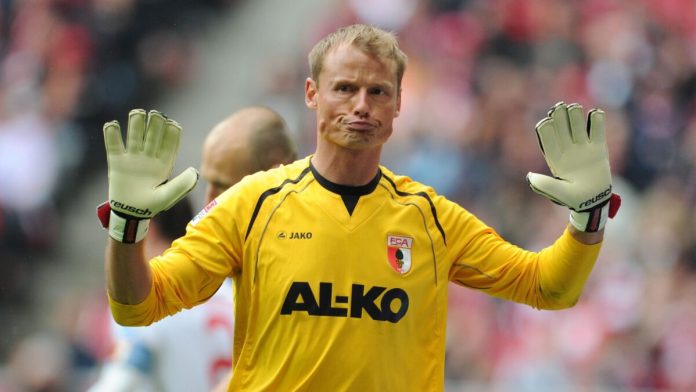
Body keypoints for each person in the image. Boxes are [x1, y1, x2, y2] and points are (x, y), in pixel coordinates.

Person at [100, 24, 621, 391]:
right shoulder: (250, 206)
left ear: (398, 104)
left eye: (377, 91)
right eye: (344, 88)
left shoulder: (430, 217)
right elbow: (138, 305)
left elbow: (547, 287)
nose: (361, 106)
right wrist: (127, 231)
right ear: (312, 94)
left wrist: (587, 224)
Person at [93, 107, 297, 391]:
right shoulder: (210, 282)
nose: (209, 200)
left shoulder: (312, 267)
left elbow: (120, 382)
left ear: (274, 175)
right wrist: (127, 225)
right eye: (207, 184)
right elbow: (134, 305)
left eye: (223, 186)